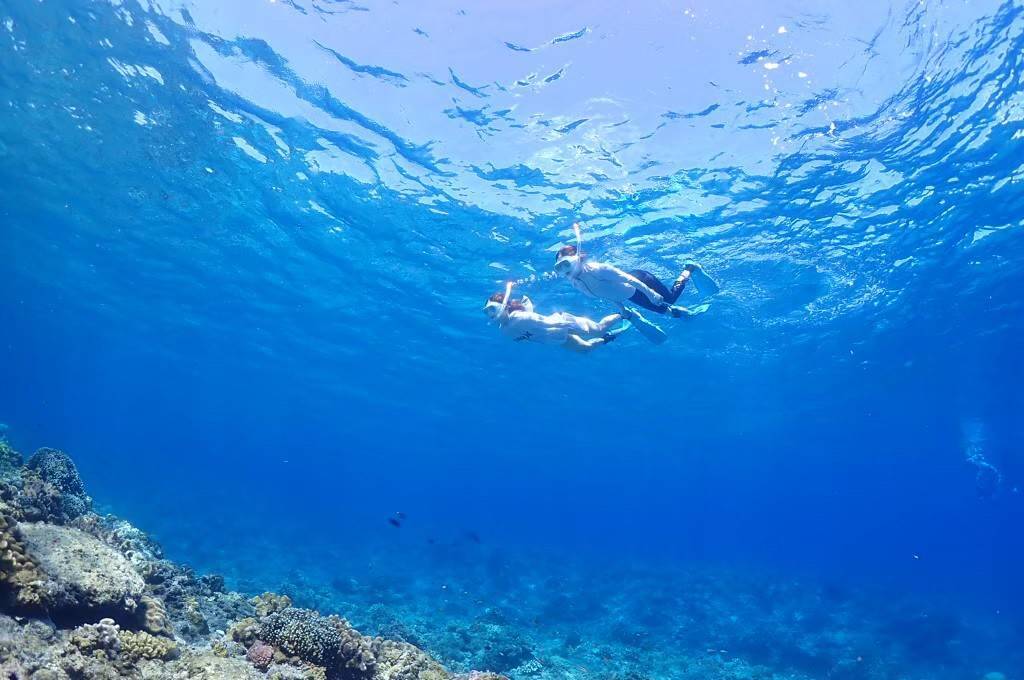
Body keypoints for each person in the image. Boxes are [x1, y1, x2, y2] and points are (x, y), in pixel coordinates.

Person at [552, 243, 717, 318]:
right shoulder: (576, 283)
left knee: (670, 300)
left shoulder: (597, 268)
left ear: (576, 259)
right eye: (559, 268)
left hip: (640, 281)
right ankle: (687, 315)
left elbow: (627, 278)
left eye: (566, 264)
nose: (565, 271)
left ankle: (689, 269)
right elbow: (605, 294)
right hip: (630, 294)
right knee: (664, 311)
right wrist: (621, 309)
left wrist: (650, 293)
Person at [482, 286, 627, 353]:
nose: (490, 315)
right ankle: (609, 337)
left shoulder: (520, 317)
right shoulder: (505, 330)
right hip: (554, 338)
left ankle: (623, 314)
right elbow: (529, 330)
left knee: (598, 330)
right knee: (585, 349)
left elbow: (543, 322)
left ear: (505, 307)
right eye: (486, 312)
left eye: (492, 309)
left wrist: (572, 326)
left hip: (563, 323)